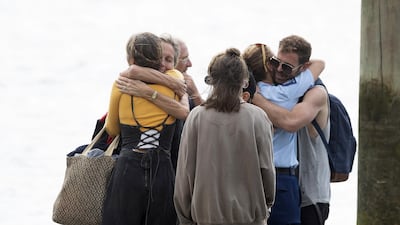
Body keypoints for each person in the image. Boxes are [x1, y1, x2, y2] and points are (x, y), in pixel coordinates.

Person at [174, 48, 276, 225]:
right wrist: (265, 207)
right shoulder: (258, 118)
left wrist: (185, 218)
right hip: (250, 219)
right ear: (244, 82)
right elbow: (267, 170)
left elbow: (185, 174)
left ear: (211, 79)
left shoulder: (196, 117)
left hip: (205, 219)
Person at [102, 32, 189, 225]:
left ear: (130, 58)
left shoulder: (121, 85)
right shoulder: (174, 79)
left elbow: (112, 129)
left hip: (129, 169)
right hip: (162, 169)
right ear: (159, 58)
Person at [242, 36, 325, 225]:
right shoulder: (289, 91)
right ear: (268, 66)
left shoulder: (246, 94)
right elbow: (320, 64)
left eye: (286, 67)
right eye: (275, 63)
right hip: (282, 180)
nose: (279, 69)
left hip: (249, 177)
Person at [117, 36, 203, 171]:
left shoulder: (183, 94)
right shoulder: (130, 86)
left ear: (174, 64)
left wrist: (194, 94)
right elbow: (131, 71)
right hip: (138, 168)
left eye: (168, 60)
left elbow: (197, 120)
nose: (162, 64)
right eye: (158, 58)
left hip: (173, 173)